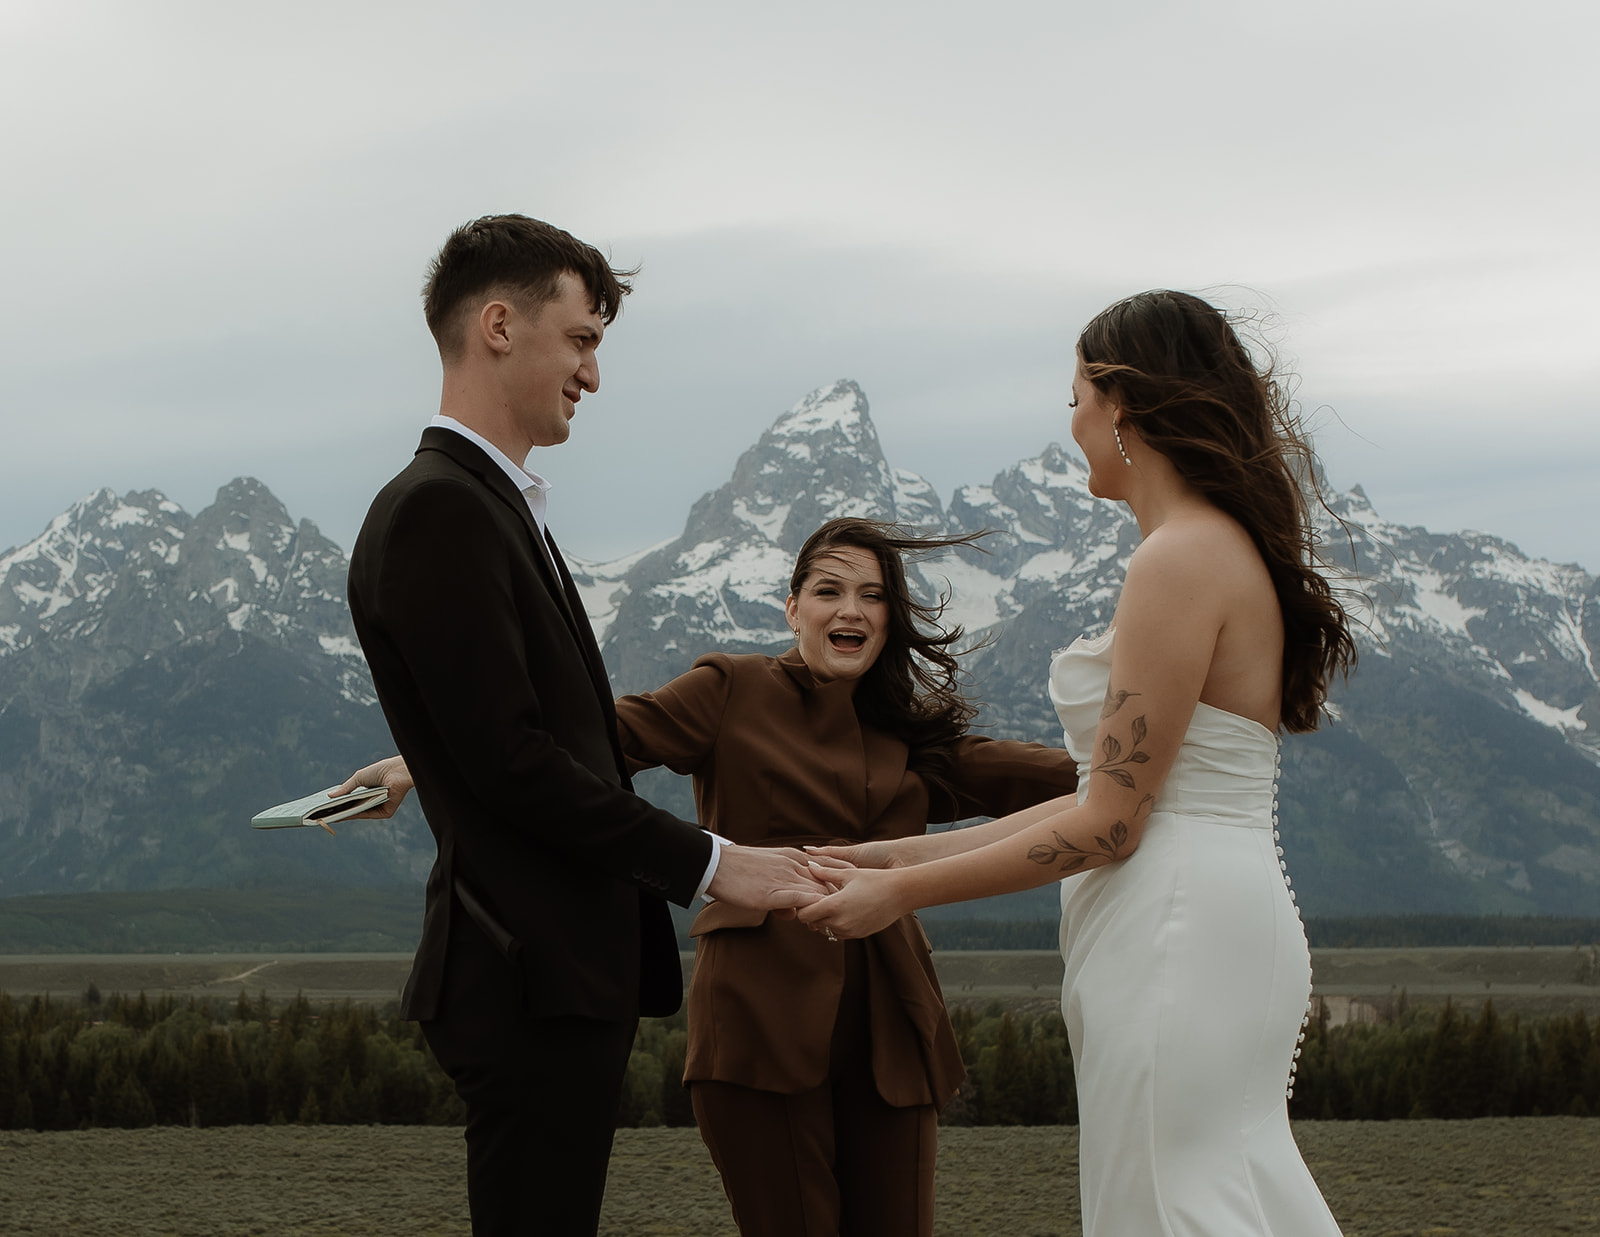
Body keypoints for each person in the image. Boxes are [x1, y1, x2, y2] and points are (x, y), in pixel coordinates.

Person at [342, 517, 1080, 1236]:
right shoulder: (731, 689)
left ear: (890, 620)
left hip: (893, 1023)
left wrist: (1165, 748)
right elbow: (598, 737)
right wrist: (425, 760)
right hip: (758, 1025)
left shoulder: (913, 740)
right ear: (793, 608)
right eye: (829, 590)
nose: (851, 609)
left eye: (873, 594)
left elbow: (1056, 776)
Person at [801, 291, 1356, 1236]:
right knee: (1222, 1186)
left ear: (1124, 406)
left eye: (1076, 399)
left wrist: (900, 898)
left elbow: (1110, 821)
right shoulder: (1222, 550)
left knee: (1166, 1200)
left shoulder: (1177, 560)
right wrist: (890, 857)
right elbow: (1107, 795)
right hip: (1222, 906)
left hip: (1172, 924)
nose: (1072, 426)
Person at [344, 214, 823, 1237]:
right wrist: (709, 862)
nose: (593, 375)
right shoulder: (442, 509)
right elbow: (512, 761)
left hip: (552, 975)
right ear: (502, 326)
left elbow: (496, 739)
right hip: (524, 972)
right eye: (583, 340)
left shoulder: (489, 505)